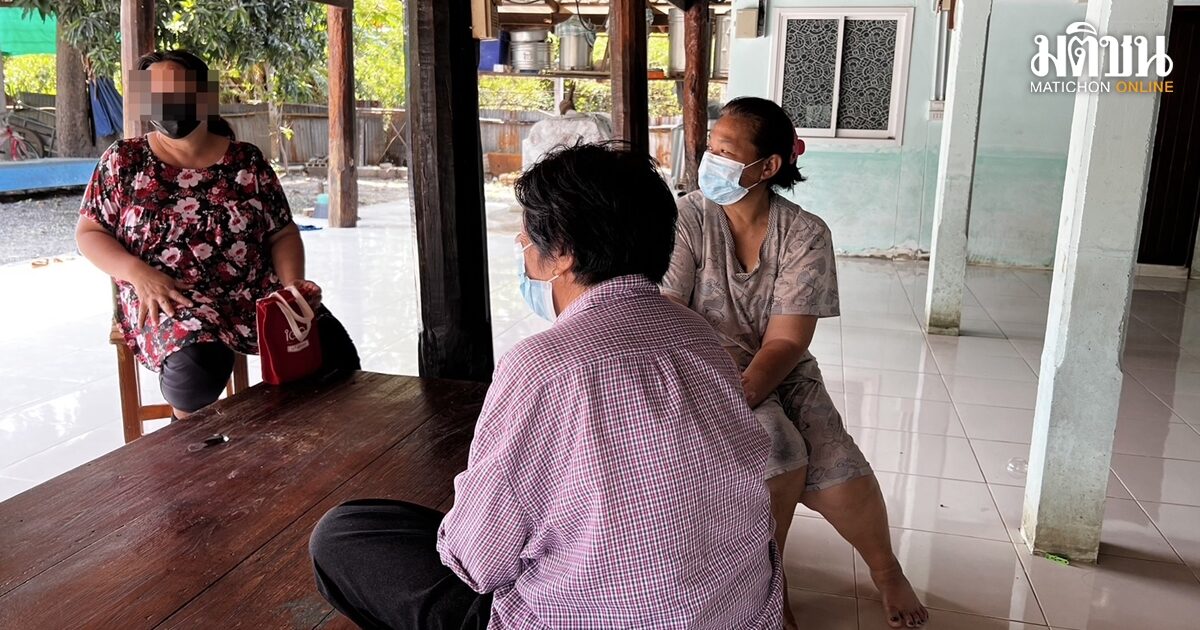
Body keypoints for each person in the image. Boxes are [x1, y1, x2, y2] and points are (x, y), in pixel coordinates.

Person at [309, 143, 783, 629]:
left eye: (527, 239)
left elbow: (478, 563)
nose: (523, 252)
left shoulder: (543, 364)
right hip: (736, 611)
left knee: (344, 534)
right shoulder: (697, 334)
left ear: (562, 254)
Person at [661, 96, 929, 629]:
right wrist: (727, 392)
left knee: (836, 463)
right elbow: (667, 312)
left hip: (781, 369)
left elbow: (786, 341)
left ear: (768, 166)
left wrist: (748, 392)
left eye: (726, 151)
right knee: (780, 453)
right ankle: (770, 583)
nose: (711, 159)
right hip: (702, 368)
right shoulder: (686, 218)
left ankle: (886, 570)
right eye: (712, 147)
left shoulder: (805, 233)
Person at [76, 50, 358, 420]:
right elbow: (89, 232)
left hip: (252, 290)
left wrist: (291, 287)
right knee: (198, 366)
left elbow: (282, 232)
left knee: (334, 350)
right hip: (166, 293)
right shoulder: (123, 160)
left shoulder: (246, 162)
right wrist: (138, 274)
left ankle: (308, 439)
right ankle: (191, 446)